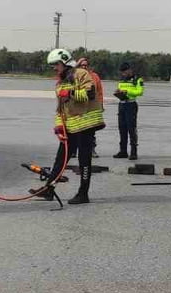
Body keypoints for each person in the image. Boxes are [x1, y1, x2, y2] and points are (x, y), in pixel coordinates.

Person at [38, 48, 104, 205]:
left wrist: (70, 93)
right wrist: (59, 127)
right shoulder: (60, 83)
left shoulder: (81, 74)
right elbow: (60, 109)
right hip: (71, 126)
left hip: (86, 124)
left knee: (84, 159)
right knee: (61, 157)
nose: (54, 68)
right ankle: (48, 189)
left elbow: (90, 94)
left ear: (65, 62)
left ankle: (83, 193)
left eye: (56, 64)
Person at [113, 62, 144, 160]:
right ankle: (123, 151)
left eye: (125, 72)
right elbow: (120, 89)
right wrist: (118, 92)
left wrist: (127, 92)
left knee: (131, 128)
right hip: (122, 104)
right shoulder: (121, 80)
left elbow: (140, 92)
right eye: (122, 72)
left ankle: (133, 152)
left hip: (131, 105)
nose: (123, 74)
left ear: (130, 70)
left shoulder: (138, 79)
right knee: (122, 128)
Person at [77, 56, 104, 157]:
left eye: (85, 65)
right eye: (82, 65)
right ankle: (75, 151)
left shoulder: (94, 76)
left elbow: (100, 92)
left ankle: (92, 149)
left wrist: (101, 105)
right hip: (79, 107)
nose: (84, 67)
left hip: (92, 107)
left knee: (91, 130)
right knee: (77, 129)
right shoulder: (75, 75)